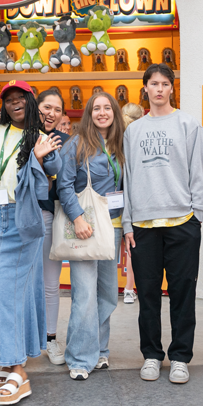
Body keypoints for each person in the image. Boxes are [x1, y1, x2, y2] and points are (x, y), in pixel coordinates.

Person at [122, 64, 203, 384]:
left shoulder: (188, 123)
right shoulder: (133, 131)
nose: (159, 89)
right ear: (145, 88)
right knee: (147, 294)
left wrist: (198, 215)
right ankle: (152, 355)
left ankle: (180, 357)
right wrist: (127, 222)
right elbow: (128, 178)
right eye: (153, 84)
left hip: (182, 220)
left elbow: (198, 170)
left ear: (172, 88)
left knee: (183, 293)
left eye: (165, 84)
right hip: (143, 224)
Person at [0, 80, 62, 405]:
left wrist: (39, 158)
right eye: (9, 99)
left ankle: (17, 369)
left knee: (12, 293)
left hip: (22, 217)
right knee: (0, 293)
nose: (15, 103)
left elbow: (48, 181)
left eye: (21, 98)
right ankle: (7, 359)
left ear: (30, 102)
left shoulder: (40, 137)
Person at [56, 92, 125, 380]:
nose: (102, 112)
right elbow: (64, 186)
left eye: (107, 107)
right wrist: (78, 219)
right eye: (96, 108)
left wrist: (128, 227)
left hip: (114, 226)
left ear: (114, 112)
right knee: (84, 294)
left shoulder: (121, 144)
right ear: (89, 113)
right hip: (86, 226)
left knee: (107, 294)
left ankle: (100, 350)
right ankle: (79, 358)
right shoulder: (77, 144)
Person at [35, 89, 69, 366]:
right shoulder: (19, 135)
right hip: (18, 216)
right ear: (36, 106)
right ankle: (23, 341)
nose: (51, 113)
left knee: (50, 283)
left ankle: (51, 338)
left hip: (48, 215)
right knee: (21, 283)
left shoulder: (65, 141)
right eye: (47, 107)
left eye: (57, 109)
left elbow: (67, 183)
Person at [120, 102, 144, 304]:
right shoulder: (138, 138)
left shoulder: (115, 138)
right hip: (135, 198)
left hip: (113, 199)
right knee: (132, 245)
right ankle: (129, 288)